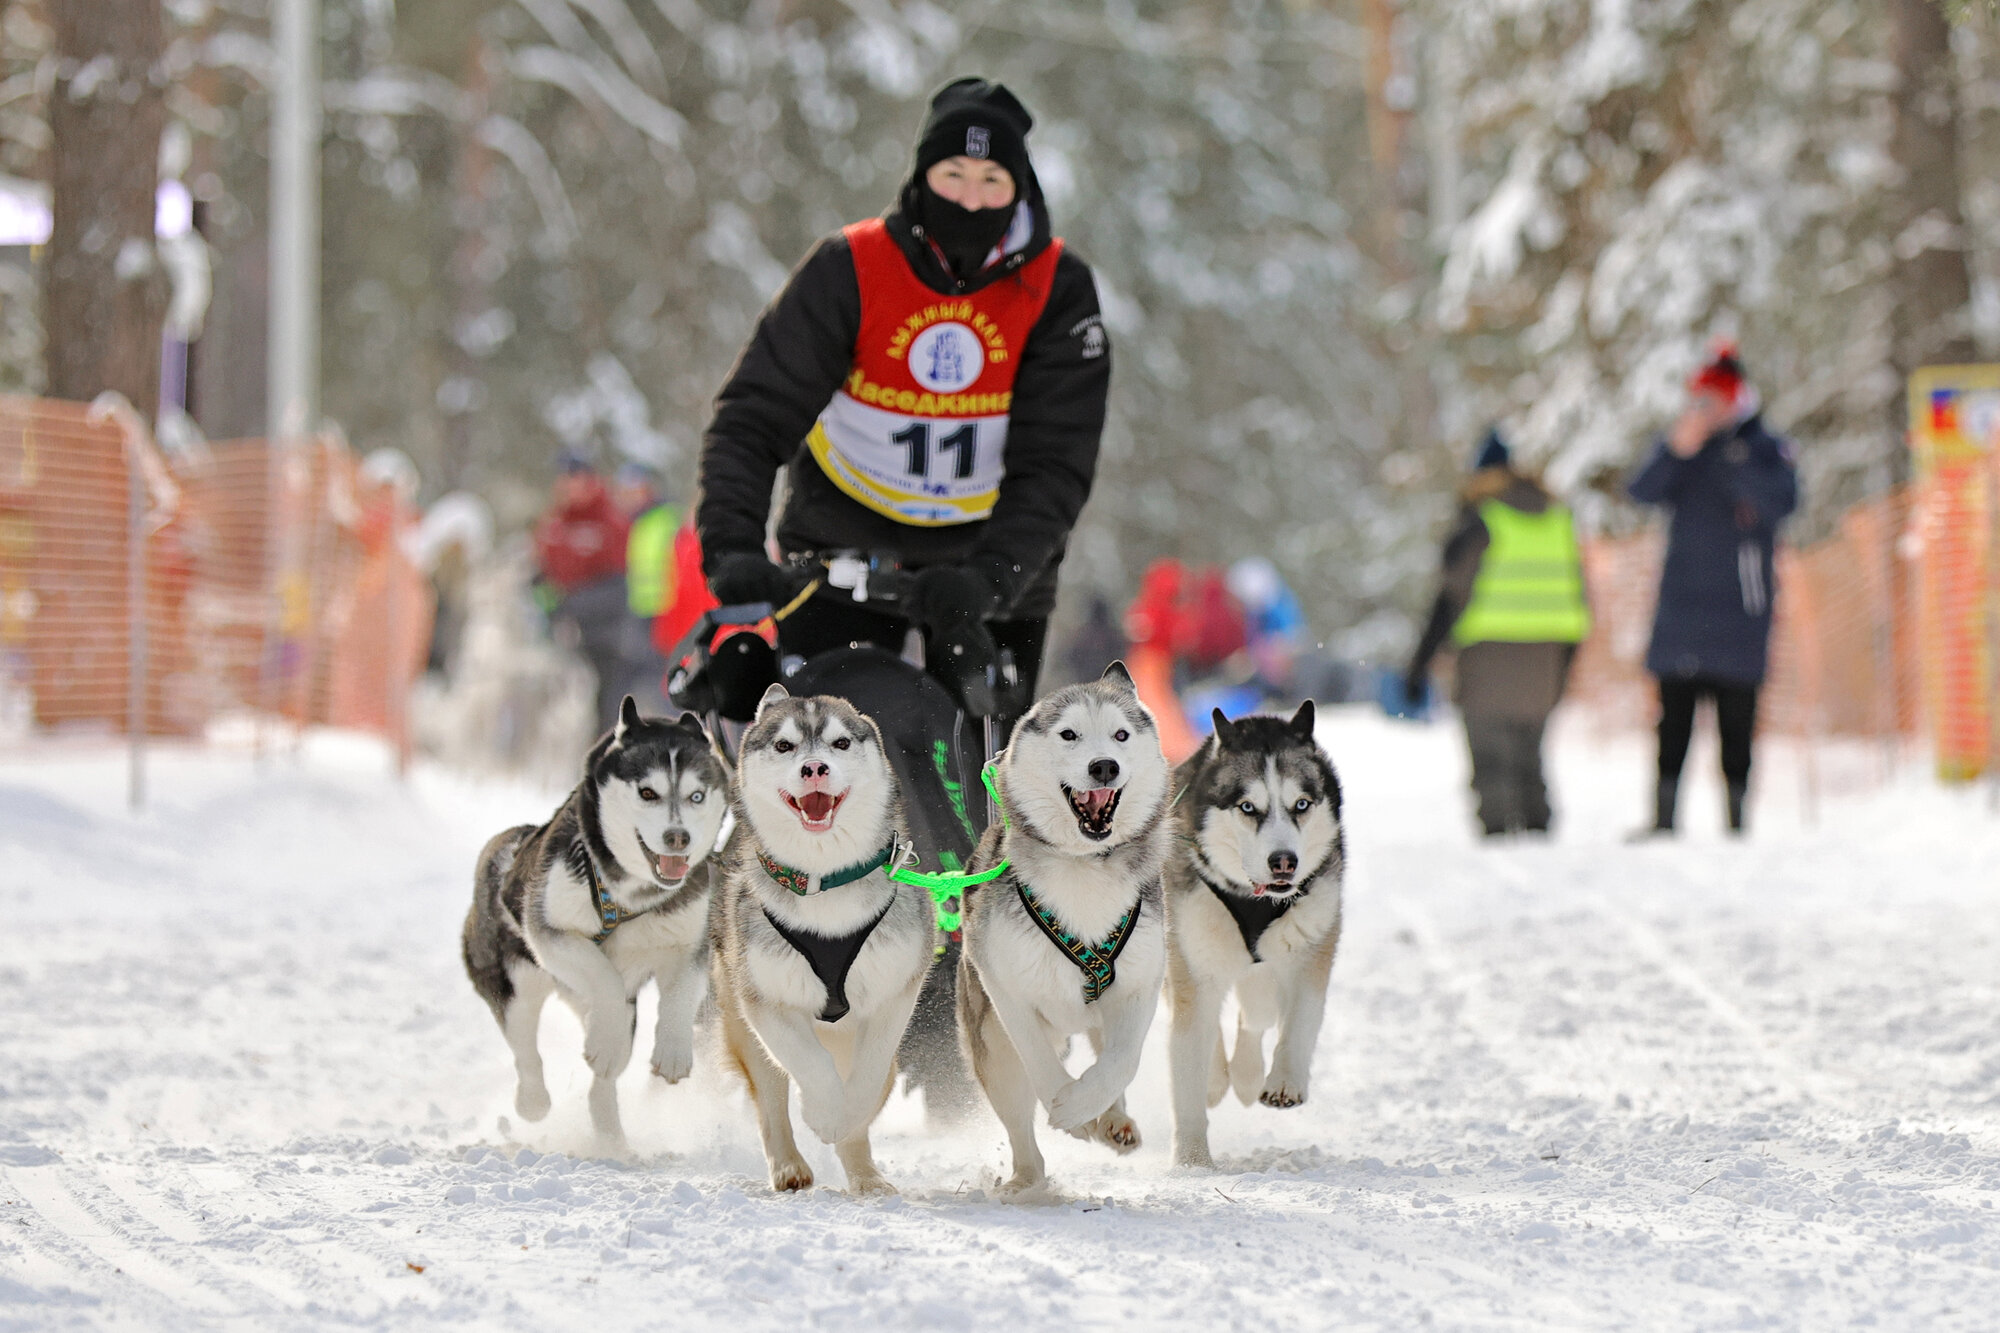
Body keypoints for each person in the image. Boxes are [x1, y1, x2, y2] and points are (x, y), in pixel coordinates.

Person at [693, 76, 1111, 721]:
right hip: (840, 550)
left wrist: (992, 577)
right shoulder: (849, 267)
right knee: (818, 761)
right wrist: (733, 547)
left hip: (989, 563)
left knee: (989, 766)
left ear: (1020, 189)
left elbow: (1055, 462)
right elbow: (753, 418)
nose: (970, 199)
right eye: (953, 175)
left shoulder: (1057, 287)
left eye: (992, 181)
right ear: (921, 177)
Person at [1628, 344, 1799, 835]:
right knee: (1672, 724)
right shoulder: (1683, 447)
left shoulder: (1764, 447)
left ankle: (1737, 824)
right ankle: (1663, 820)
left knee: (1737, 726)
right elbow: (1640, 491)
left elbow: (1783, 503)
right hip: (1681, 610)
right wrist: (1674, 450)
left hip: (1741, 613)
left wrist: (1732, 458)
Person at [1405, 428, 1590, 837]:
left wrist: (1420, 662)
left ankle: (1499, 836)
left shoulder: (1482, 518)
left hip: (1488, 655)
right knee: (1529, 754)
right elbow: (1578, 590)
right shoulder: (1557, 516)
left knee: (1491, 757)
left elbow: (1450, 595)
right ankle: (1539, 834)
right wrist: (1567, 660)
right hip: (1546, 655)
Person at [532, 451, 630, 732]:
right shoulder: (554, 522)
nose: (565, 485)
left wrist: (572, 605)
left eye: (572, 477)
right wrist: (541, 596)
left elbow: (618, 585)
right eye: (562, 478)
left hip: (603, 637)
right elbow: (543, 573)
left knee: (603, 710)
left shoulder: (610, 522)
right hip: (560, 634)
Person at [613, 462, 677, 712]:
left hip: (665, 610)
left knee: (662, 679)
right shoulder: (628, 523)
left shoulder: (666, 519)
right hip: (639, 611)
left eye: (635, 490)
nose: (631, 497)